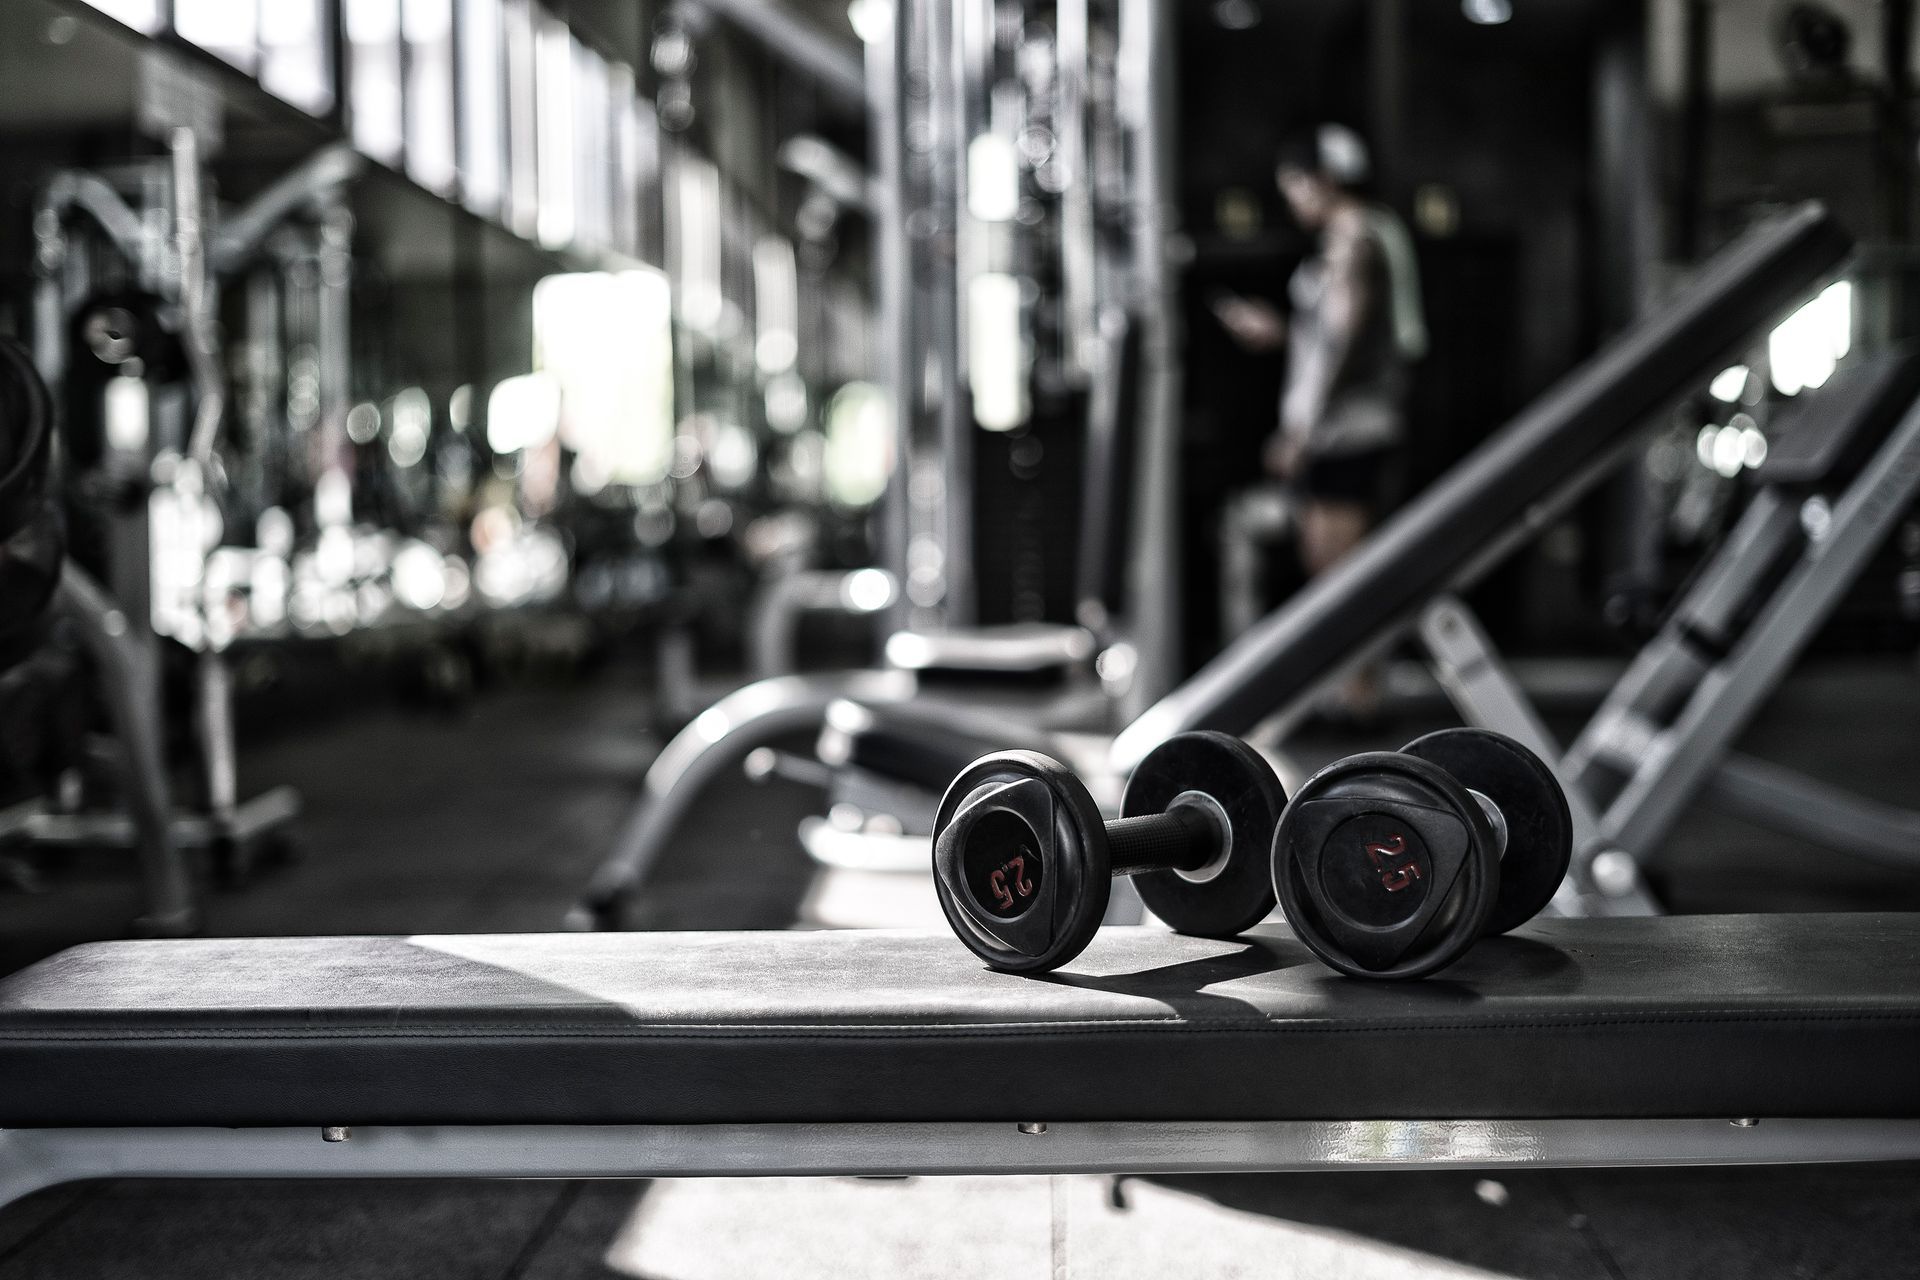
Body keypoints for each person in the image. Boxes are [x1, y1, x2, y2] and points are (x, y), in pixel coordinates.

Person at [1214, 123, 1426, 583]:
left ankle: (1363, 660)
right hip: (1344, 425)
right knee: (1328, 569)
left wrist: (1301, 431)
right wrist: (1285, 333)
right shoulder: (1366, 232)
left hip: (1349, 427)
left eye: (1293, 188)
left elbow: (1344, 343)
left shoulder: (1352, 239)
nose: (1292, 202)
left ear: (1322, 181)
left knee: (1340, 580)